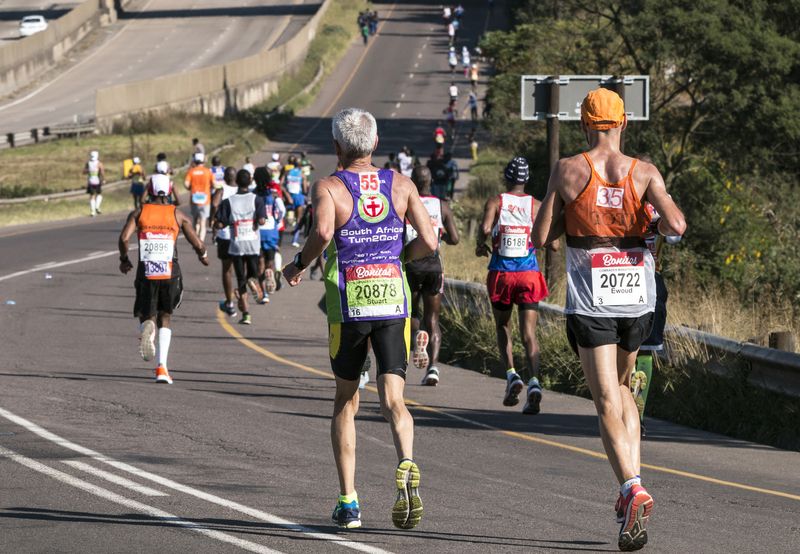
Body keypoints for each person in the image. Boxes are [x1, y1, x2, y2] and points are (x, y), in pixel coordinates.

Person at [532, 88, 686, 552]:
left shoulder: (569, 169)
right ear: (623, 124)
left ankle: (631, 488)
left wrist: (565, 213)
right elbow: (676, 226)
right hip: (638, 301)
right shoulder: (645, 172)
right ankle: (631, 487)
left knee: (603, 401)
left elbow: (542, 235)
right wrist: (651, 223)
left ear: (584, 125)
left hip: (593, 302)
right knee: (623, 390)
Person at [282, 107, 437, 530]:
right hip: (392, 299)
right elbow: (430, 239)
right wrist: (402, 258)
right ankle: (406, 461)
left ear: (336, 147)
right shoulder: (401, 184)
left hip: (350, 302)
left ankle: (348, 502)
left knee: (346, 401)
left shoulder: (329, 187)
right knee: (394, 400)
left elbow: (324, 233)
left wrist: (297, 264)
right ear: (375, 144)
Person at [476, 156, 552, 414]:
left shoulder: (496, 202)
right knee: (529, 333)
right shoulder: (536, 206)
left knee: (502, 325)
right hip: (529, 274)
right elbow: (551, 242)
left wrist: (480, 243)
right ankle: (534, 383)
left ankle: (511, 375)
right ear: (526, 179)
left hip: (502, 275)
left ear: (507, 178)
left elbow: (486, 227)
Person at [118, 173, 209, 385]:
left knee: (146, 313)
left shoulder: (139, 212)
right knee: (165, 317)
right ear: (169, 191)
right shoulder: (177, 214)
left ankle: (147, 329)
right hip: (170, 271)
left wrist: (124, 259)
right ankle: (162, 368)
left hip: (146, 270)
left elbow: (124, 239)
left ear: (149, 191)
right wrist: (202, 255)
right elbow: (198, 243)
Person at [406, 166, 460, 385]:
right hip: (434, 266)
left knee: (410, 313)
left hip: (411, 264)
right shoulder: (441, 206)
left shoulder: (407, 204)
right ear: (430, 183)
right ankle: (433, 368)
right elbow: (455, 239)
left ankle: (418, 335)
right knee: (434, 319)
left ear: (413, 182)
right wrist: (442, 235)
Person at [633, 201, 680, 437]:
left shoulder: (618, 195)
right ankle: (636, 416)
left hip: (625, 278)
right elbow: (675, 234)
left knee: (633, 349)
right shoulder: (661, 203)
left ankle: (634, 414)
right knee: (643, 350)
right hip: (647, 278)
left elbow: (675, 233)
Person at [215, 170, 267, 325]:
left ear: (236, 182)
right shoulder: (256, 200)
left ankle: (246, 315)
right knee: (254, 273)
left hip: (236, 245)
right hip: (252, 244)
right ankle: (255, 281)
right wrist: (255, 220)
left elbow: (220, 223)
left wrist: (223, 223)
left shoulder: (228, 201)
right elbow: (262, 221)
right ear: (250, 182)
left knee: (240, 279)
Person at [211, 166, 239, 317]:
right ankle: (244, 297)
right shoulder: (243, 191)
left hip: (225, 236)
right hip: (241, 236)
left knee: (227, 271)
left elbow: (215, 204)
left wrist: (214, 219)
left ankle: (230, 303)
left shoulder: (222, 190)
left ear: (225, 178)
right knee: (241, 269)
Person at [254, 166, 286, 300]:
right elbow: (282, 210)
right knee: (270, 260)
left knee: (259, 261)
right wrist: (277, 220)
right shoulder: (274, 194)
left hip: (257, 231)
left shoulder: (252, 194)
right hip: (271, 231)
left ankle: (264, 293)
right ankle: (270, 271)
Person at [185, 152, 215, 243]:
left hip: (194, 198)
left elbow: (186, 184)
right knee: (203, 221)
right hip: (205, 199)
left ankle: (195, 238)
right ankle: (200, 241)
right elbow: (214, 184)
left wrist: (191, 188)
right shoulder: (207, 171)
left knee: (195, 220)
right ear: (203, 161)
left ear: (195, 161)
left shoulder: (191, 171)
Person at [282, 156, 308, 247]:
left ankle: (279, 238)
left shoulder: (287, 172)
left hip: (288, 196)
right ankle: (294, 240)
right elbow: (305, 189)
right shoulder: (302, 174)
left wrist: (287, 194)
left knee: (281, 215)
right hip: (298, 197)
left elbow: (281, 185)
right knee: (299, 219)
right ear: (300, 165)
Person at [84, 151, 105, 217]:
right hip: (97, 181)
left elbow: (84, 171)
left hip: (90, 181)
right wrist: (103, 179)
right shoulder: (99, 163)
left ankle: (93, 211)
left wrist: (89, 171)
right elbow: (102, 172)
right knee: (99, 194)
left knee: (92, 196)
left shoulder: (88, 163)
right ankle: (97, 206)